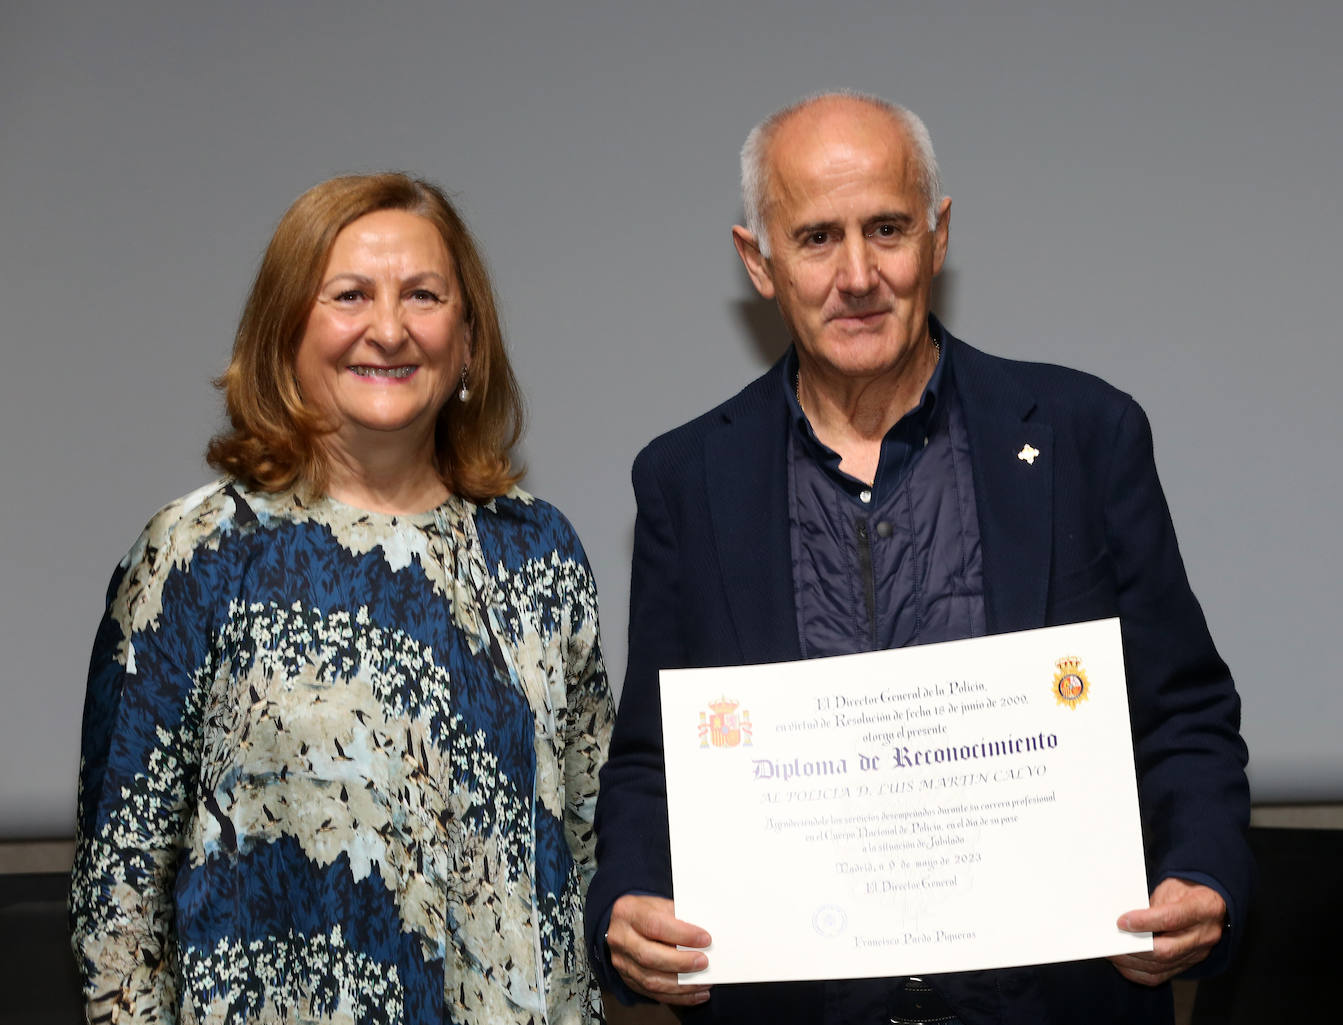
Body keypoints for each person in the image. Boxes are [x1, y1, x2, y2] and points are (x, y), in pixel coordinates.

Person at [585, 92, 1251, 1025]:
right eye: (817, 238)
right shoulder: (688, 480)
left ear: (937, 237)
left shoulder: (1084, 436)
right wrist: (628, 905)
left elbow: (1184, 712)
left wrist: (1204, 872)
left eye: (887, 228)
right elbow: (657, 761)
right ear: (758, 261)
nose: (857, 274)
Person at [69, 173, 613, 1025]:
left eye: (424, 296)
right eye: (350, 295)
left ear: (468, 341)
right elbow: (118, 902)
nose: (389, 329)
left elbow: (588, 839)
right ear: (286, 329)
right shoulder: (195, 555)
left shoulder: (538, 551)